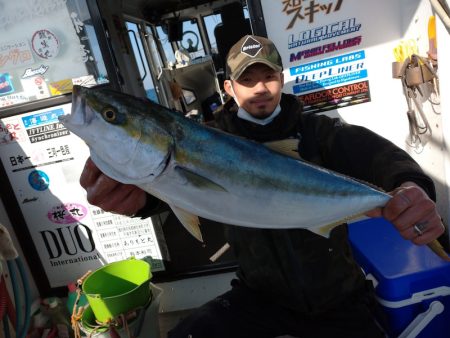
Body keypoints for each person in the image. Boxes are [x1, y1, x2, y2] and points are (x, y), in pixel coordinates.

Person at [80, 35, 446, 338]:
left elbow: (379, 156)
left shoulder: (316, 132)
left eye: (267, 77)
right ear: (229, 87)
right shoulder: (206, 140)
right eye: (246, 80)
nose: (260, 88)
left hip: (340, 295)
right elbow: (164, 190)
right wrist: (136, 199)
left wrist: (408, 185)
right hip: (261, 297)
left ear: (281, 79)